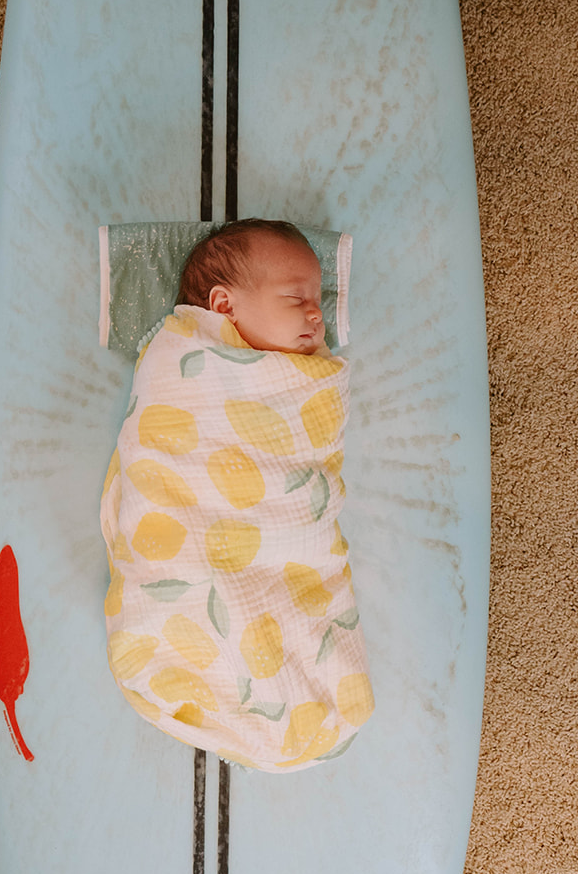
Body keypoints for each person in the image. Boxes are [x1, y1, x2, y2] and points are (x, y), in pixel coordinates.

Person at [100, 217, 373, 771]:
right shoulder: (182, 362)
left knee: (288, 598)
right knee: (201, 585)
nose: (316, 313)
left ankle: (274, 698)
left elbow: (309, 471)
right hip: (198, 539)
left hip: (287, 546)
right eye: (296, 297)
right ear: (223, 306)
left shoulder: (305, 383)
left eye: (317, 296)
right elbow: (163, 457)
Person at [177, 218, 326, 356]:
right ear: (226, 306)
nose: (318, 314)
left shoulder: (324, 364)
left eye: (318, 301)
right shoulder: (189, 357)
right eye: (296, 298)